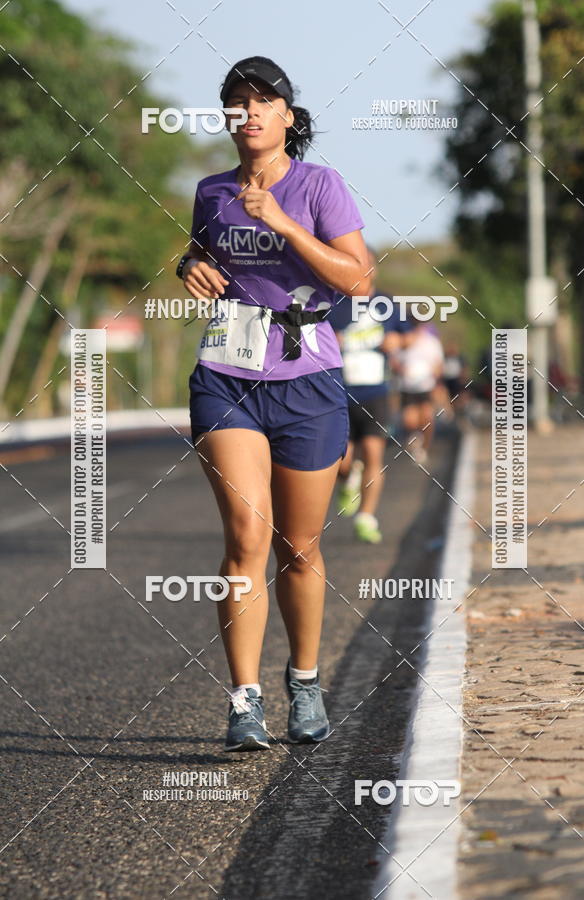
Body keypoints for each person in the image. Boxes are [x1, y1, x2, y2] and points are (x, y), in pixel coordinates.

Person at [177, 56, 369, 751]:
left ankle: (306, 680)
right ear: (228, 116)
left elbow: (359, 278)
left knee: (300, 547)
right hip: (226, 377)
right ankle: (245, 701)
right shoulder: (210, 190)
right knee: (246, 538)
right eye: (238, 101)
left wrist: (285, 224)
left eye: (265, 101)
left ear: (288, 116)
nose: (251, 111)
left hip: (308, 382)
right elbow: (203, 253)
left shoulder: (320, 186)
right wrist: (188, 265)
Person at [328, 250, 405, 543]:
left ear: (373, 270)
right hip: (338, 391)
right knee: (340, 461)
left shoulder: (387, 303)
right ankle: (348, 480)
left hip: (376, 391)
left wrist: (399, 341)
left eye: (368, 266)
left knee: (374, 453)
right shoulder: (333, 302)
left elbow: (410, 334)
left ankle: (367, 516)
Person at [390, 317, 444, 465]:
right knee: (410, 420)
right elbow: (393, 360)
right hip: (407, 387)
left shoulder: (431, 342)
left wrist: (434, 374)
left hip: (425, 386)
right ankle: (415, 437)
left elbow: (438, 364)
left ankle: (424, 448)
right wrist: (401, 370)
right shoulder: (402, 340)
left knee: (427, 417)